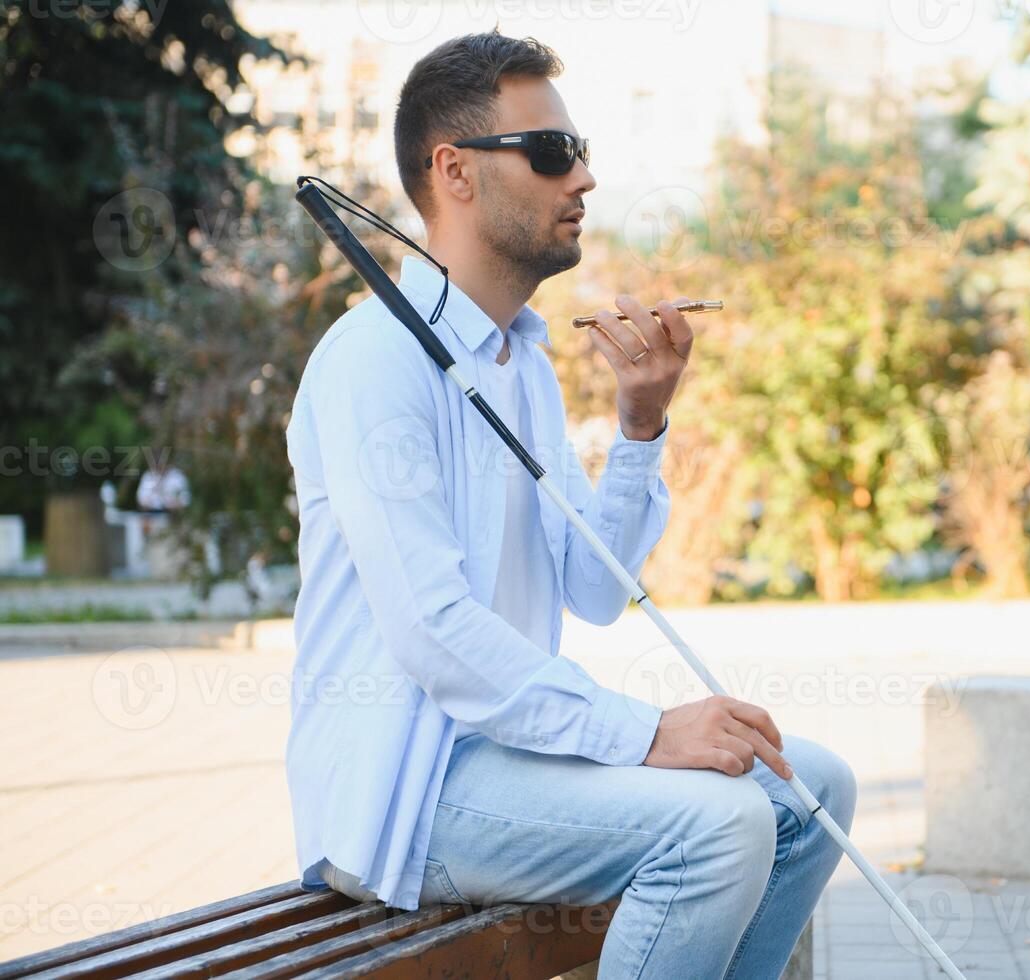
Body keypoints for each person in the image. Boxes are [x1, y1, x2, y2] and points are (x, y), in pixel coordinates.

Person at [283, 31, 856, 979]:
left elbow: (593, 587)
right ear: (454, 172)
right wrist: (646, 732)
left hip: (506, 758)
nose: (584, 176)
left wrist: (640, 427)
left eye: (579, 148)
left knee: (812, 789)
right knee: (716, 829)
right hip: (405, 790)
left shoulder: (522, 363)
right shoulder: (374, 359)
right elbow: (432, 627)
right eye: (551, 152)